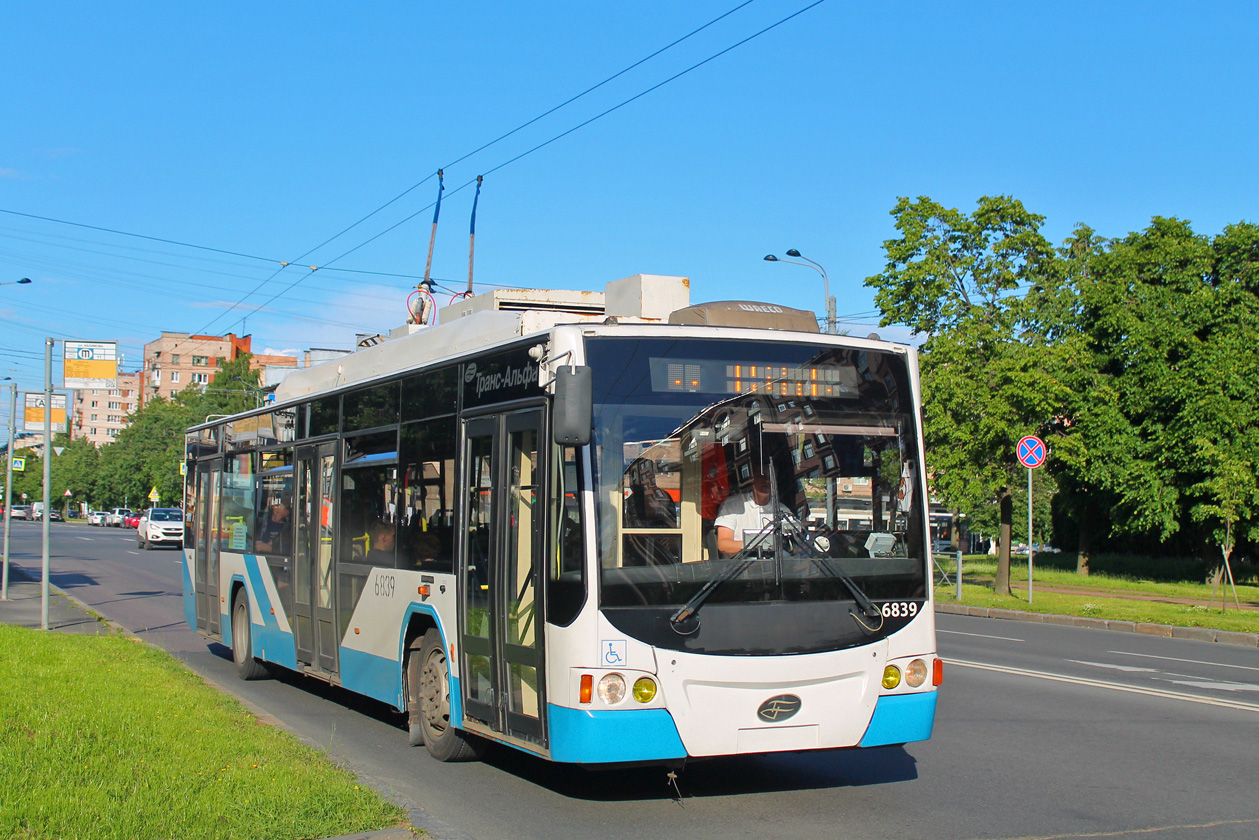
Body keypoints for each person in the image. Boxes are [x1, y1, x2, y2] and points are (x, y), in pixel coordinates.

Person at [714, 460, 791, 556]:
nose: (767, 480)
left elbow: (793, 545)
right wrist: (757, 545)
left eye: (770, 477)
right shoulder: (732, 505)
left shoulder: (783, 511)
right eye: (762, 476)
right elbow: (723, 545)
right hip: (739, 564)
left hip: (776, 565)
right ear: (752, 479)